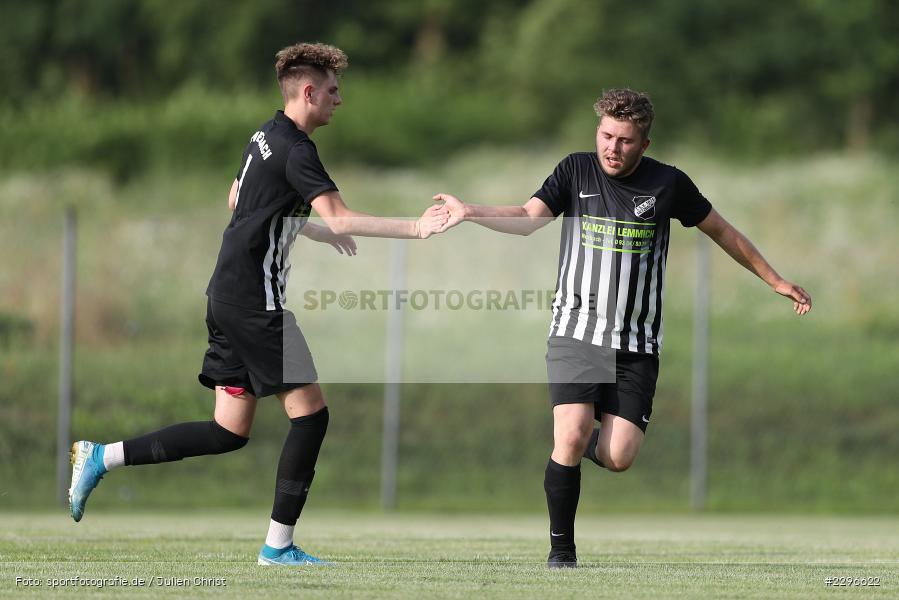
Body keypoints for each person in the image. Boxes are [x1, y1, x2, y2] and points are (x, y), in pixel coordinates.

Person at [68, 42, 448, 566]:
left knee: (227, 432)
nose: (340, 100)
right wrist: (416, 228)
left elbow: (238, 199)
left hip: (225, 294)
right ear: (309, 92)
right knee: (311, 417)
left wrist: (307, 231)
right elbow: (339, 216)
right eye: (334, 91)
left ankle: (100, 457)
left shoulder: (263, 135)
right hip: (254, 304)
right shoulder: (297, 149)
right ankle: (279, 546)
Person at [432, 88, 812, 568]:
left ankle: (572, 438)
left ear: (645, 144)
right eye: (606, 136)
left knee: (619, 456)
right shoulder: (575, 170)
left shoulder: (669, 184)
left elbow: (723, 231)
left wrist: (774, 279)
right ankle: (561, 552)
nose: (613, 148)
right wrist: (471, 212)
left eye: (625, 140)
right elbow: (529, 217)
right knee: (569, 436)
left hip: (637, 344)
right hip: (575, 332)